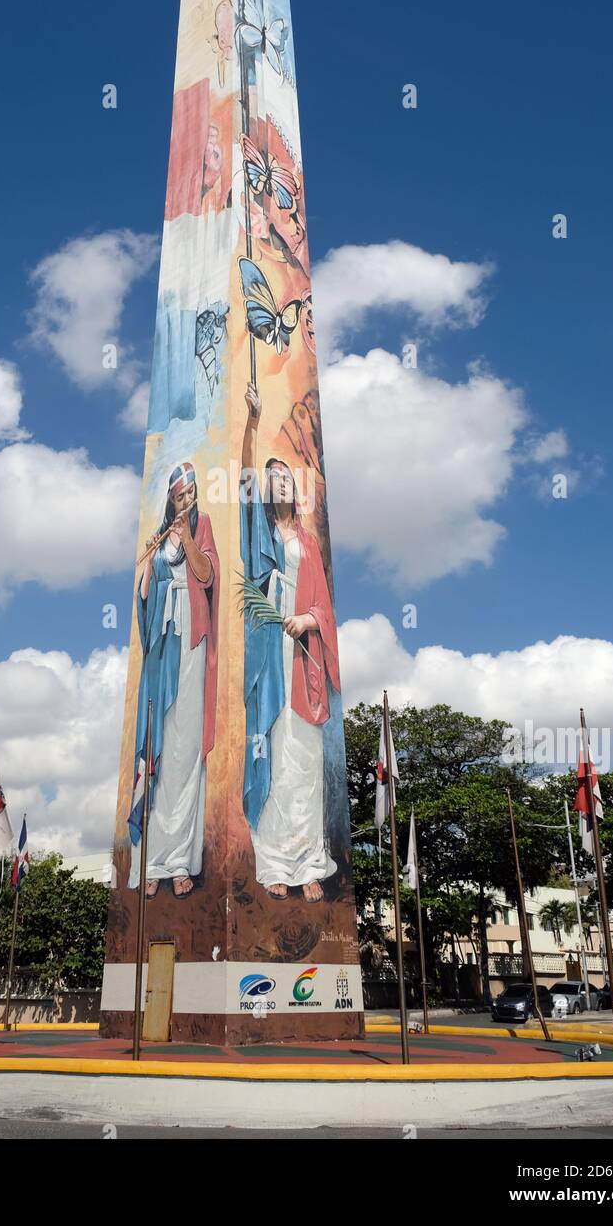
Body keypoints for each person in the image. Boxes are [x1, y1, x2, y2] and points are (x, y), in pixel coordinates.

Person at [240, 383, 340, 902]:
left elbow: (324, 602)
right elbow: (241, 480)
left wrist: (307, 619)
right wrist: (253, 424)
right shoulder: (259, 531)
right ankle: (275, 864)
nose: (277, 482)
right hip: (267, 654)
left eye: (285, 477)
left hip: (302, 660)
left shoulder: (305, 540)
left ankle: (308, 865)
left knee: (303, 760)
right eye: (270, 477)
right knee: (273, 756)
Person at [128, 462, 219, 898]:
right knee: (157, 750)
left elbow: (207, 576)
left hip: (191, 645)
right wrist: (149, 564)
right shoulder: (163, 537)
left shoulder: (202, 529)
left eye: (191, 495)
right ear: (170, 499)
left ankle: (180, 861)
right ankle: (151, 860)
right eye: (179, 497)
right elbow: (144, 602)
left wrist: (188, 541)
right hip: (163, 650)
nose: (186, 502)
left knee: (184, 753)